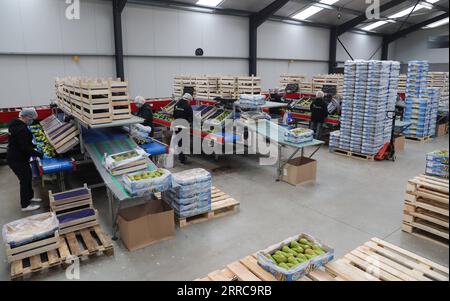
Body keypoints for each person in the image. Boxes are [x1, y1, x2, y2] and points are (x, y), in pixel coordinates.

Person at [7, 108, 43, 212]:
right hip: (17, 159)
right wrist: (38, 154)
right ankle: (25, 205)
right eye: (31, 119)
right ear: (26, 117)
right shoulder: (21, 129)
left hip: (18, 157)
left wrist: (34, 145)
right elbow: (24, 147)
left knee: (28, 177)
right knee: (24, 180)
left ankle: (30, 197)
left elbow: (24, 142)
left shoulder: (15, 124)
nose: (32, 121)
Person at [173, 93, 193, 164]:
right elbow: (191, 117)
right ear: (188, 99)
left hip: (176, 125)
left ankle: (180, 156)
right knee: (183, 143)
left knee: (179, 142)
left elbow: (174, 115)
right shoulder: (187, 106)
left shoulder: (176, 105)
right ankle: (182, 159)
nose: (189, 102)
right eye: (189, 101)